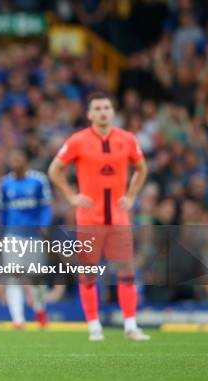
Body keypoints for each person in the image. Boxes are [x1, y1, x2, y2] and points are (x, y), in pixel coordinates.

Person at [48, 91, 150, 341]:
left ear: (112, 111)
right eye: (98, 108)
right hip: (89, 217)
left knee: (126, 268)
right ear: (89, 114)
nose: (103, 112)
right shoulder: (78, 140)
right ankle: (94, 326)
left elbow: (141, 168)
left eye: (107, 107)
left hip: (118, 215)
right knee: (89, 272)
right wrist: (71, 197)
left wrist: (131, 195)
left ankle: (130, 326)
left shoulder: (126, 139)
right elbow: (54, 170)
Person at [0, 149, 53, 328]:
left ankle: (40, 309)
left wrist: (44, 224)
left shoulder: (38, 180)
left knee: (36, 277)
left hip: (33, 235)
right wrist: (2, 232)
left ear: (26, 162)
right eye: (13, 159)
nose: (15, 163)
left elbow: (46, 206)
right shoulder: (5, 183)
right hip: (12, 235)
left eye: (18, 159)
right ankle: (18, 319)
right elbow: (3, 211)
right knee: (14, 275)